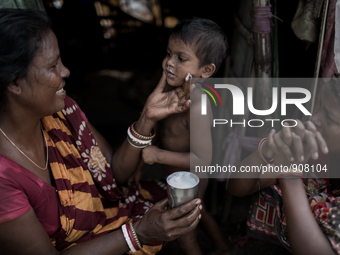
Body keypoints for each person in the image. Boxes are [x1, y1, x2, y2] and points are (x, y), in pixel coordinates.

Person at [0, 8, 203, 255]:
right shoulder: (3, 178)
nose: (65, 72)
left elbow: (114, 173)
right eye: (53, 66)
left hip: (105, 221)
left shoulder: (62, 112)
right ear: (14, 83)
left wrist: (147, 117)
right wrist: (138, 233)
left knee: (175, 202)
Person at [128, 17, 230, 255]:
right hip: (175, 178)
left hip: (193, 178)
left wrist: (157, 155)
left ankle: (220, 248)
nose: (169, 63)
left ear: (205, 70)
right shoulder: (169, 93)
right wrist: (140, 166)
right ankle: (223, 247)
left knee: (185, 236)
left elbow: (203, 160)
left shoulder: (198, 104)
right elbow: (154, 129)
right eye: (168, 54)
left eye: (181, 58)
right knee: (199, 215)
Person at [228, 79, 340, 255]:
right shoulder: (313, 152)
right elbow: (237, 187)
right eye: (318, 107)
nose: (315, 118)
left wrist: (289, 173)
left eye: (330, 117)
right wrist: (266, 151)